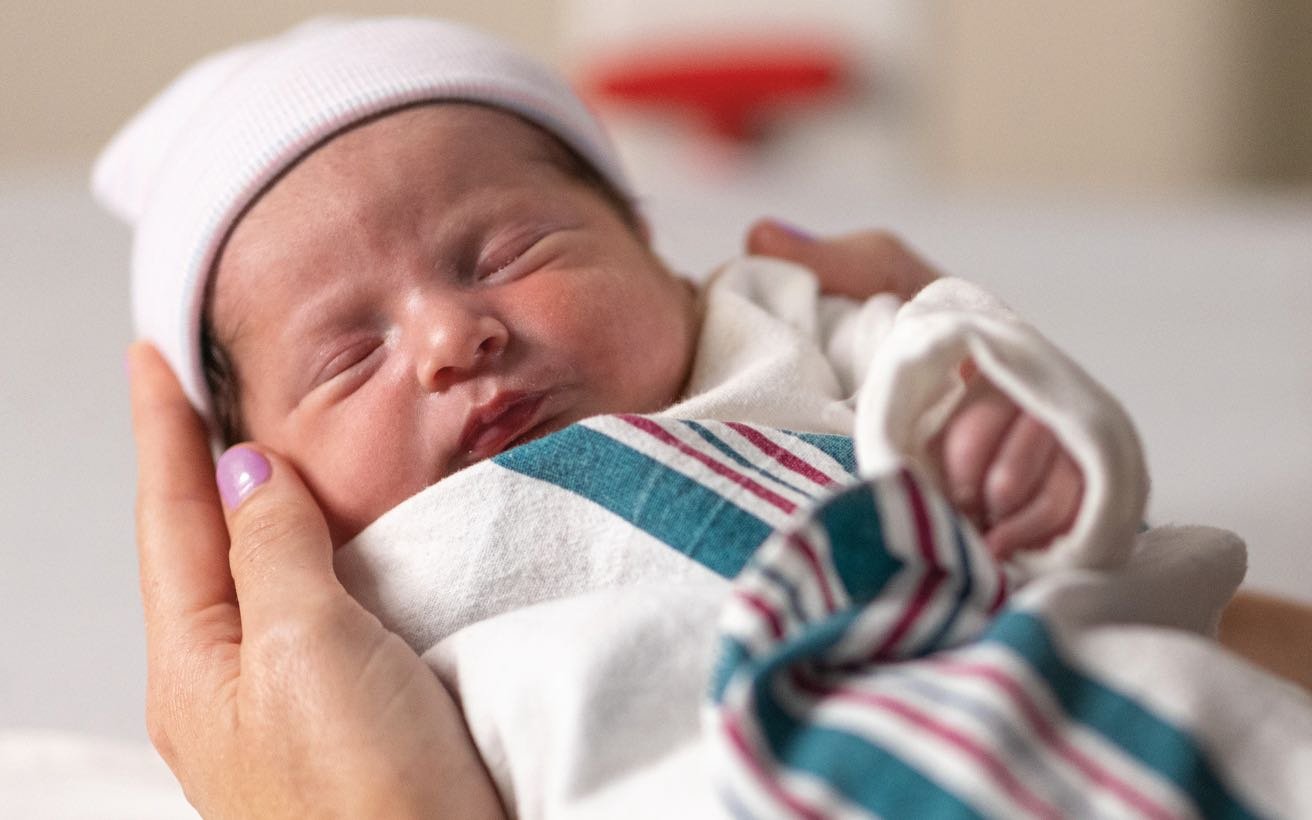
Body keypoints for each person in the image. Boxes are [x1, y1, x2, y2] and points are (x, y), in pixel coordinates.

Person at [108, 16, 1310, 819]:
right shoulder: (339, 605)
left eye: (507, 248)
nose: (445, 338)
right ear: (253, 461)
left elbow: (958, 360)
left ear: (645, 236)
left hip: (1095, 702)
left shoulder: (765, 321)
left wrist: (1011, 433)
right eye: (346, 352)